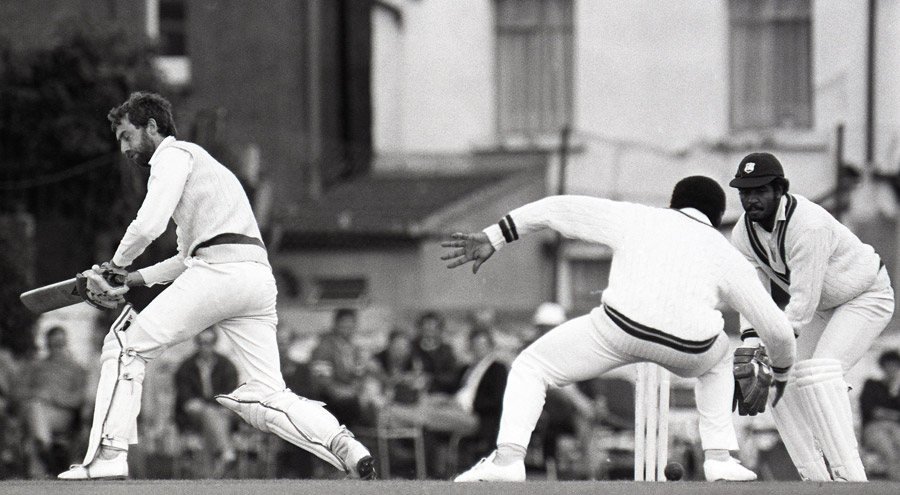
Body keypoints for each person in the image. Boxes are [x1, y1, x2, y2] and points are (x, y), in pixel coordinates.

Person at [57, 91, 375, 480]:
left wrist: (113, 266)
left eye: (126, 136)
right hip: (255, 280)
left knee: (123, 346)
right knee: (267, 394)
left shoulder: (172, 156)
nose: (123, 148)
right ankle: (347, 447)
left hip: (219, 273)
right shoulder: (207, 169)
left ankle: (107, 457)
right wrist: (133, 277)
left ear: (152, 127)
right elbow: (183, 257)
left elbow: (148, 225)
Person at [442, 176, 797, 482]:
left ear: (673, 204)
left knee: (530, 367)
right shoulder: (727, 255)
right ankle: (719, 459)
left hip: (617, 329)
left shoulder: (637, 217)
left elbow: (555, 207)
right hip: (691, 348)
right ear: (717, 217)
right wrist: (780, 372)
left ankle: (508, 460)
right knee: (720, 361)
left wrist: (495, 236)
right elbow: (778, 331)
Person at [728, 152, 895, 481]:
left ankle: (851, 479)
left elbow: (802, 301)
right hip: (822, 307)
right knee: (778, 384)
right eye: (745, 192)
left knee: (819, 373)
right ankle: (815, 480)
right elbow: (752, 295)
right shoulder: (742, 235)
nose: (751, 199)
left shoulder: (809, 225)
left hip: (866, 296)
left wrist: (770, 351)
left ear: (780, 190)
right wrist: (752, 346)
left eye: (759, 191)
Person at [172, 327, 239, 477]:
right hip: (192, 416)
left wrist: (207, 404)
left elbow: (230, 392)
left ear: (214, 343)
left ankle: (211, 474)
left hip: (219, 413)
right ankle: (226, 451)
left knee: (211, 416)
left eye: (208, 343)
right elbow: (185, 396)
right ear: (197, 344)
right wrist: (207, 405)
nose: (205, 347)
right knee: (207, 413)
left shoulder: (226, 365)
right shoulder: (186, 366)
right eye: (202, 343)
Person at [21, 326, 86, 477]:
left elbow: (79, 400)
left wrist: (54, 397)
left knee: (35, 416)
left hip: (62, 416)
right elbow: (20, 393)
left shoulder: (75, 368)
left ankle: (46, 453)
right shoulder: (37, 367)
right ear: (47, 345)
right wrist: (38, 394)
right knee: (34, 408)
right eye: (53, 344)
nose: (57, 348)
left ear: (65, 344)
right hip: (38, 412)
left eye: (60, 344)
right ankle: (48, 455)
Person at [309, 309, 372, 428]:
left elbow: (359, 373)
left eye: (351, 324)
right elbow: (323, 381)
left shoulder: (354, 348)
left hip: (349, 394)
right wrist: (345, 392)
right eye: (344, 324)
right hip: (328, 398)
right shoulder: (324, 347)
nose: (348, 328)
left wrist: (356, 388)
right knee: (352, 405)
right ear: (336, 324)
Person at [411, 311, 461, 394]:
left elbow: (453, 377)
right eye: (426, 329)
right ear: (420, 329)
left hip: (441, 395)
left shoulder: (446, 351)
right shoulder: (411, 348)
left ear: (439, 330)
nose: (429, 333)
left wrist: (431, 378)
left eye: (433, 329)